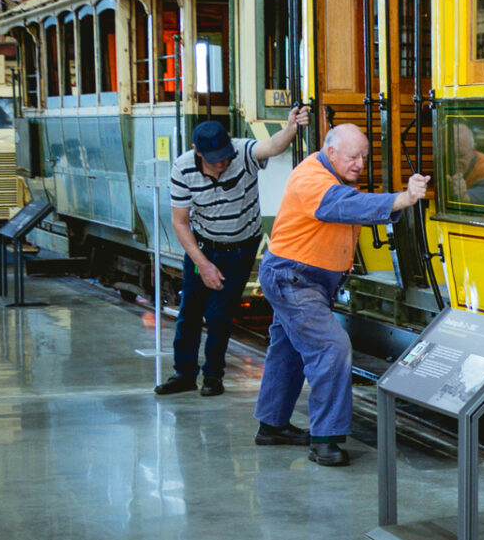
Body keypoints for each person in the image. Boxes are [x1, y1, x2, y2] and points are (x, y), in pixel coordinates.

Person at [254, 124, 429, 466]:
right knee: (331, 348)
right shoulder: (313, 179)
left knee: (287, 350)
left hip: (301, 279)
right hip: (293, 279)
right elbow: (341, 205)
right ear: (331, 152)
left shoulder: (333, 174)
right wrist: (403, 199)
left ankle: (271, 426)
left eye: (365, 156)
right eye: (353, 157)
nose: (360, 164)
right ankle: (325, 440)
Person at [155, 109, 309, 397]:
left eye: (225, 157)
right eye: (214, 162)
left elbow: (273, 146)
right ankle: (184, 373)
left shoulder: (242, 152)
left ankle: (213, 376)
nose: (222, 164)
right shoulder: (182, 168)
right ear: (196, 152)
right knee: (190, 311)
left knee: (219, 314)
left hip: (240, 249)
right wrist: (204, 266)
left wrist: (290, 127)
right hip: (202, 250)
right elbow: (180, 222)